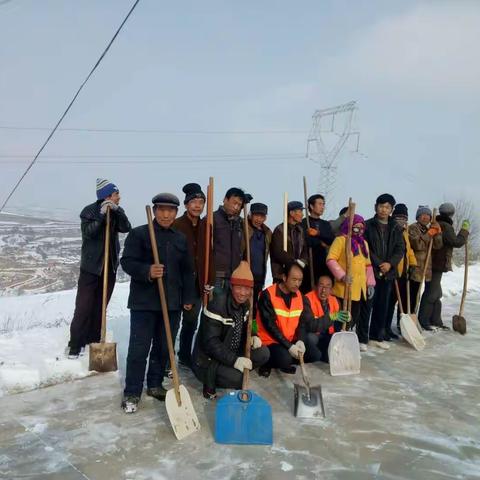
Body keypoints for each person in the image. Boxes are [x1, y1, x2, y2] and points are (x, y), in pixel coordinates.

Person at [120, 193, 195, 413]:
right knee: (139, 348)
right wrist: (147, 271)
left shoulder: (180, 238)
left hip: (171, 303)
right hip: (143, 304)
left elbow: (187, 272)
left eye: (170, 210)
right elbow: (127, 262)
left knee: (164, 347)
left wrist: (188, 298)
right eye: (161, 209)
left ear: (176, 213)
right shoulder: (140, 234)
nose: (165, 214)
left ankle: (154, 384)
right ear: (154, 211)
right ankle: (132, 392)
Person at [68, 178, 131, 359]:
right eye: (116, 194)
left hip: (108, 267)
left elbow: (126, 227)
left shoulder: (118, 211)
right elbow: (89, 233)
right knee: (83, 306)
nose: (119, 197)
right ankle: (75, 344)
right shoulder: (89, 211)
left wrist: (117, 213)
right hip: (91, 267)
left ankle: (93, 340)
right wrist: (102, 216)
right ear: (107, 195)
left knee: (100, 307)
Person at [192, 261, 270, 399]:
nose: (243, 293)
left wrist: (254, 334)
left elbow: (250, 322)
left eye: (247, 289)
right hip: (209, 360)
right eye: (239, 288)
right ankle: (222, 374)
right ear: (231, 286)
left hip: (230, 351)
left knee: (264, 353)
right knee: (239, 379)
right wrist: (235, 361)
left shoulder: (245, 304)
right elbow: (211, 344)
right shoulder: (217, 305)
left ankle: (230, 370)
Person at [327, 214, 376, 351]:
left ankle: (344, 339)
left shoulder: (363, 243)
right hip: (344, 288)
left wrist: (370, 283)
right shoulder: (341, 240)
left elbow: (368, 265)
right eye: (356, 228)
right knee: (341, 317)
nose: (359, 231)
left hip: (358, 288)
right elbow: (331, 259)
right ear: (348, 227)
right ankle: (335, 342)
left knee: (353, 317)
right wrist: (342, 275)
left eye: (362, 228)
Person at [256, 262, 313, 376]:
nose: (297, 284)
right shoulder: (267, 295)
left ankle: (284, 360)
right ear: (284, 277)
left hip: (288, 340)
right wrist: (290, 346)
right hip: (269, 340)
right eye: (294, 279)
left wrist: (300, 340)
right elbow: (270, 326)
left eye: (300, 280)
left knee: (313, 353)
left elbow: (302, 322)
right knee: (285, 359)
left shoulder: (299, 296)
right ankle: (267, 363)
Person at [364, 194, 405, 349]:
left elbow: (400, 249)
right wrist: (379, 263)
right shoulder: (368, 225)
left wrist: (390, 263)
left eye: (387, 207)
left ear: (391, 210)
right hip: (371, 271)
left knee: (383, 305)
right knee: (368, 304)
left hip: (388, 273)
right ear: (376, 207)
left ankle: (376, 335)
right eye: (381, 206)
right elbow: (365, 246)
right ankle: (362, 336)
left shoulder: (396, 228)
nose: (383, 209)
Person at [172, 183, 206, 367]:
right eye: (194, 202)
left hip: (197, 284)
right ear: (186, 205)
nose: (197, 206)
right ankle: (167, 360)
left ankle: (184, 356)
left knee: (191, 324)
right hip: (177, 283)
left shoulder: (206, 226)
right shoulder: (177, 225)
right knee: (172, 324)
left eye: (201, 202)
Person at [426, 203, 469, 329]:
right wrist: (464, 231)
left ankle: (435, 321)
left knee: (436, 293)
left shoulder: (438, 224)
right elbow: (456, 242)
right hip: (437, 263)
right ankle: (424, 321)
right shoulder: (445, 226)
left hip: (435, 262)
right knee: (432, 294)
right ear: (451, 214)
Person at [199, 187, 246, 291]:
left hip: (235, 276)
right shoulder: (211, 219)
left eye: (239, 205)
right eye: (234, 202)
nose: (236, 207)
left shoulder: (239, 223)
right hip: (216, 276)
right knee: (216, 307)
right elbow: (203, 249)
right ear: (225, 199)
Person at [385, 203, 418, 337]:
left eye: (404, 218)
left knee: (404, 301)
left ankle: (402, 326)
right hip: (393, 271)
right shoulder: (390, 229)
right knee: (389, 302)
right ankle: (385, 328)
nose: (402, 221)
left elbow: (408, 249)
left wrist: (413, 264)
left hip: (404, 271)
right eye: (399, 217)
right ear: (394, 217)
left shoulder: (404, 231)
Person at [408, 206, 442, 330]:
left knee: (417, 298)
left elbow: (438, 246)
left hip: (426, 269)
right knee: (411, 298)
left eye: (428, 215)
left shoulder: (429, 229)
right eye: (423, 215)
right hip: (415, 269)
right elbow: (417, 245)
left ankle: (414, 321)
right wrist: (429, 234)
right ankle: (405, 323)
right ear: (418, 216)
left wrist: (438, 232)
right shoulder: (413, 228)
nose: (425, 217)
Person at [304, 275, 350, 362]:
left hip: (327, 335)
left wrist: (347, 320)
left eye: (327, 287)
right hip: (315, 334)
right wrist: (331, 317)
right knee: (310, 339)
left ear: (331, 290)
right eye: (321, 286)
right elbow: (310, 326)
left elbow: (339, 326)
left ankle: (324, 353)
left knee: (331, 358)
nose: (323, 290)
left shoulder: (335, 301)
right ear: (315, 287)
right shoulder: (307, 299)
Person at [270, 201, 308, 283]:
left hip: (297, 274)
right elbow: (278, 252)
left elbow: (304, 249)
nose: (302, 214)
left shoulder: (300, 230)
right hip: (281, 273)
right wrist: (294, 263)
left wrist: (303, 262)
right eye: (300, 211)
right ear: (291, 213)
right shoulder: (280, 230)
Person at [302, 194, 335, 289]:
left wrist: (318, 234)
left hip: (323, 263)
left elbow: (331, 240)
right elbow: (306, 241)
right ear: (311, 206)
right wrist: (321, 242)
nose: (322, 207)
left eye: (323, 204)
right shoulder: (304, 223)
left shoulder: (325, 224)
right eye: (320, 204)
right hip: (308, 263)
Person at [246, 202, 272, 317]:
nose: (259, 219)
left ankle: (253, 331)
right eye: (256, 215)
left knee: (255, 309)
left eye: (262, 216)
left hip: (259, 278)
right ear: (250, 215)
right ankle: (239, 334)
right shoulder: (243, 228)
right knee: (243, 307)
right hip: (245, 276)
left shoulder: (267, 233)